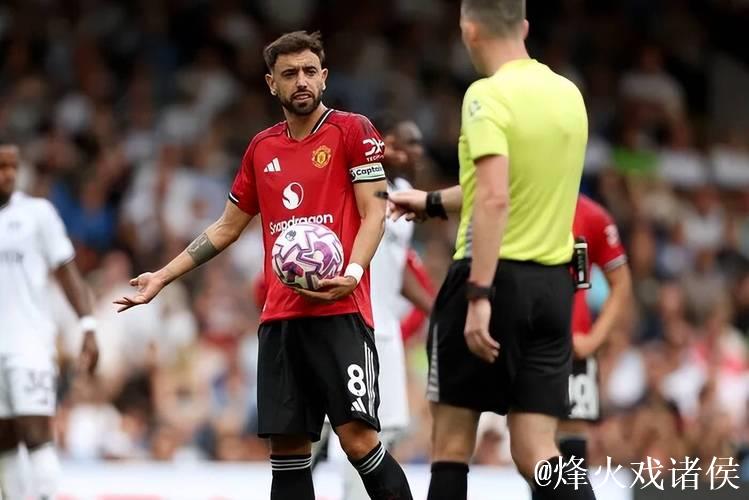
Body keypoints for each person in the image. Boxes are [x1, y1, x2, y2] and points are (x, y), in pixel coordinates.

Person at [115, 31, 413, 500]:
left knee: (358, 441)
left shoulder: (353, 131)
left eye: (310, 71)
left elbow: (374, 212)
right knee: (288, 451)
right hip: (281, 319)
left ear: (324, 77)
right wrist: (162, 277)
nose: (302, 81)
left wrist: (353, 274)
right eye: (290, 73)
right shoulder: (261, 148)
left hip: (341, 313)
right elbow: (226, 227)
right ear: (272, 83)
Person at [389, 1, 593, 498]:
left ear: (469, 29)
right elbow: (506, 185)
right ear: (524, 26)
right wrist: (432, 202)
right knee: (537, 450)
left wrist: (479, 294)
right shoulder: (568, 94)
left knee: (452, 446)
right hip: (553, 289)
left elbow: (496, 197)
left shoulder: (486, 95)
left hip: (491, 279)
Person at [328, 117, 433, 500]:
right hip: (350, 321)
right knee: (351, 427)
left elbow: (397, 264)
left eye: (417, 146)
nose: (414, 153)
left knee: (386, 428)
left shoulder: (404, 196)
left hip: (385, 328)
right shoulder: (352, 187)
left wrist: (436, 308)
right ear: (382, 144)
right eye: (406, 144)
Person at [0, 141, 99, 500]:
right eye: (1, 167)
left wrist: (88, 325)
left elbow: (67, 271)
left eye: (13, 166)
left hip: (28, 344)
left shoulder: (37, 214)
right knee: (4, 440)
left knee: (37, 433)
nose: (9, 174)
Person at [531, 194, 631, 500]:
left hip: (572, 351)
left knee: (570, 436)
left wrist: (593, 339)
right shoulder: (525, 202)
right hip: (528, 346)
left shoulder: (592, 215)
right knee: (530, 446)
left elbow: (621, 283)